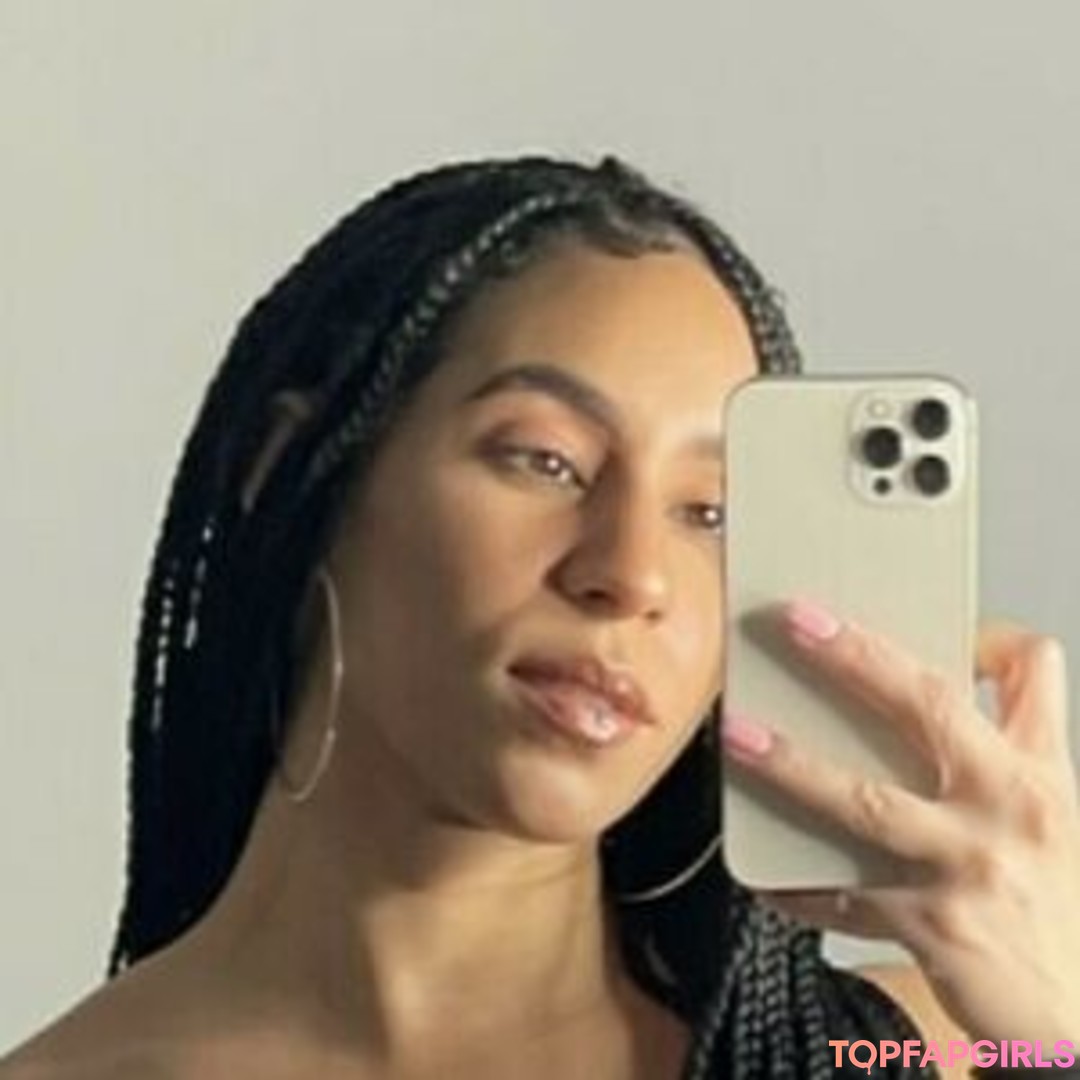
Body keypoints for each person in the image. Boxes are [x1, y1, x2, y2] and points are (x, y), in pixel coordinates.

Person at [2, 155, 1076, 1079]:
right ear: (293, 466)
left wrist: (1054, 1019)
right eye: (546, 459)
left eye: (711, 513)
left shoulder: (923, 1054)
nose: (633, 575)